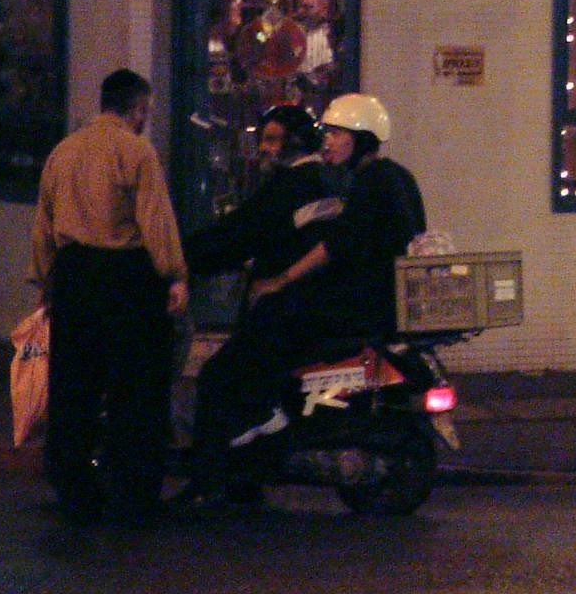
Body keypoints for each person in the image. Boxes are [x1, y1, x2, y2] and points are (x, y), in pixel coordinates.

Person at [175, 93, 425, 511]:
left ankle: (215, 475)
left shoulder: (363, 183)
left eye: (339, 134)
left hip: (345, 308)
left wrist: (280, 279)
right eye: (328, 132)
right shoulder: (390, 177)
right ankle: (249, 467)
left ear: (363, 140)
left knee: (220, 374)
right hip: (366, 306)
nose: (329, 140)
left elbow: (333, 244)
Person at [30, 68, 188, 524]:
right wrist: (174, 275)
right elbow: (155, 220)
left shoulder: (63, 152)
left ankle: (72, 485)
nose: (145, 119)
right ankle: (131, 492)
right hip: (125, 275)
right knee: (135, 387)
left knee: (73, 385)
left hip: (74, 274)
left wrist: (44, 280)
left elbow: (43, 222)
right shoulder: (136, 152)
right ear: (137, 109)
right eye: (146, 111)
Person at [183, 104, 338, 294]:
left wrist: (182, 259)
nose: (262, 147)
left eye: (271, 140)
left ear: (296, 141)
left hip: (286, 298)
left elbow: (241, 231)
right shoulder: (322, 179)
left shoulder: (290, 184)